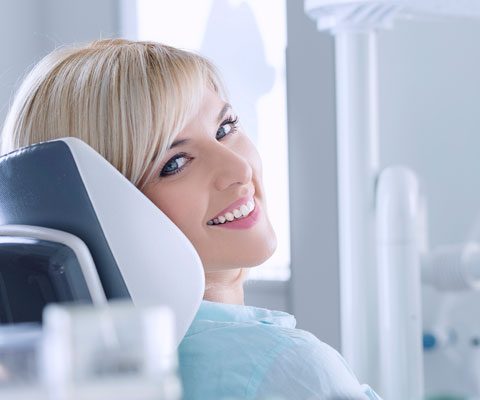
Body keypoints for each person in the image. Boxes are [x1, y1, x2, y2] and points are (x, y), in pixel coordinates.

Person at [0, 39, 381, 400]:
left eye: (225, 128)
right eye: (175, 164)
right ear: (105, 209)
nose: (238, 168)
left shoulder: (78, 375)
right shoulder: (285, 367)